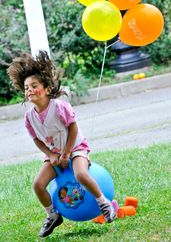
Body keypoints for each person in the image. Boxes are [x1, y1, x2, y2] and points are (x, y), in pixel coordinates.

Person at [7, 51, 116, 238]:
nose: (29, 90)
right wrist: (50, 154)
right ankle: (52, 215)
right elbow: (37, 140)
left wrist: (66, 153)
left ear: (47, 89)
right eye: (26, 88)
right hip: (54, 153)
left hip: (75, 147)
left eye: (34, 86)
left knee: (80, 174)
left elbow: (73, 129)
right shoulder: (29, 117)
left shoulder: (59, 107)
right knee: (37, 185)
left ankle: (103, 203)